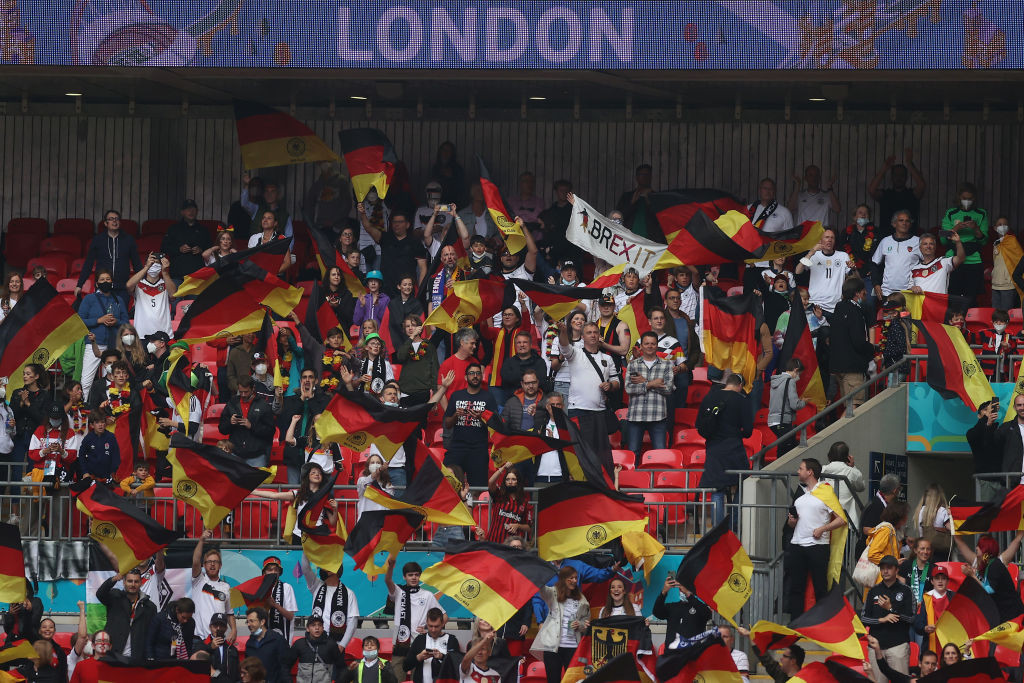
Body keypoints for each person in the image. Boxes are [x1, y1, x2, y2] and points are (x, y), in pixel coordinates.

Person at [558, 320, 620, 477]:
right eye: (589, 332)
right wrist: (563, 332)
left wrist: (610, 385)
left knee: (600, 454)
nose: (593, 335)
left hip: (600, 412)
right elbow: (564, 346)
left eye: (595, 332)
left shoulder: (607, 358)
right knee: (581, 453)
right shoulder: (575, 353)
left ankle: (602, 485)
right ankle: (581, 485)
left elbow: (616, 381)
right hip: (578, 410)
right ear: (583, 337)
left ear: (599, 336)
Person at [786, 458, 846, 616]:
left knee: (820, 587)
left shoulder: (825, 491)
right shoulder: (800, 496)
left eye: (801, 468)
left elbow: (841, 519)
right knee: (796, 588)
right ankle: (796, 624)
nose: (798, 471)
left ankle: (821, 623)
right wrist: (792, 522)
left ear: (810, 472)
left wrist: (823, 529)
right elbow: (792, 525)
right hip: (797, 544)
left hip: (818, 546)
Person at [698, 374, 753, 525]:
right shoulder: (742, 400)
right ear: (740, 385)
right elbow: (748, 430)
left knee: (717, 490)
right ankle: (733, 525)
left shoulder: (709, 398)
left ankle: (718, 532)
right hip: (734, 448)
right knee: (743, 483)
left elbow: (699, 425)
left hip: (713, 449)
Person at [385, 558, 444, 681]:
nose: (414, 577)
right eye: (410, 575)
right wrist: (390, 567)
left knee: (417, 680)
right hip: (400, 645)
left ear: (420, 576)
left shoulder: (427, 595)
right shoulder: (398, 591)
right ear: (404, 577)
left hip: (419, 644)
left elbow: (444, 616)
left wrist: (429, 629)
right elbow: (388, 580)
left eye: (416, 575)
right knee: (396, 680)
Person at [252, 462, 336, 544]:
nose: (317, 474)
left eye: (320, 473)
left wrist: (335, 509)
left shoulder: (325, 497)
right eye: (313, 472)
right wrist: (253, 491)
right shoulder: (298, 494)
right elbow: (274, 495)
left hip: (317, 537)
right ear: (307, 477)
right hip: (299, 536)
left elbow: (333, 522)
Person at [531, 567, 590, 683]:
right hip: (553, 647)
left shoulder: (581, 598)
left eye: (576, 578)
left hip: (573, 647)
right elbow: (541, 588)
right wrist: (542, 570)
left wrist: (580, 624)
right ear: (563, 579)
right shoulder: (553, 593)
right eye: (571, 578)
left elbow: (586, 621)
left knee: (573, 681)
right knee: (553, 680)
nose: (574, 581)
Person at [78, 269, 130, 400]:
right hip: (94, 344)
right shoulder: (89, 299)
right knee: (86, 381)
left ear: (112, 282)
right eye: (102, 279)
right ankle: (83, 407)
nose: (105, 282)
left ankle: (114, 405)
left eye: (108, 279)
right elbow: (80, 321)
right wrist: (98, 320)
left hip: (114, 346)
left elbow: (126, 323)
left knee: (113, 379)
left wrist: (116, 322)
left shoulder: (118, 300)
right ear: (96, 283)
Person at [443, 363, 498, 487]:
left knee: (478, 488)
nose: (475, 376)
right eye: (471, 373)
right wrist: (456, 415)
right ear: (465, 377)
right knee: (448, 483)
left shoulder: (488, 397)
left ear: (482, 376)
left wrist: (481, 418)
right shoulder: (456, 396)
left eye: (478, 373)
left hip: (478, 449)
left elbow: (495, 425)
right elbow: (447, 424)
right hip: (457, 447)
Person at [953, 530, 1024, 622]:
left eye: (978, 549)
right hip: (1002, 615)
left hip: (1012, 616)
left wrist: (972, 575)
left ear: (985, 550)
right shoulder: (988, 565)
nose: (976, 553)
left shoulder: (995, 565)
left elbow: (988, 590)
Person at [624, 330, 673, 466]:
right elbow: (629, 389)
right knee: (633, 453)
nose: (650, 346)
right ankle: (632, 478)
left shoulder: (667, 365)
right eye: (646, 344)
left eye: (653, 344)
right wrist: (652, 383)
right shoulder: (633, 365)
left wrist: (644, 382)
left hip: (658, 416)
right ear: (641, 346)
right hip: (636, 416)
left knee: (660, 454)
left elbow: (668, 389)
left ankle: (660, 479)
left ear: (657, 345)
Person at [75, 209, 142, 306]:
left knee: (121, 313)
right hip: (103, 287)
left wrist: (144, 284)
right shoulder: (98, 240)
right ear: (105, 223)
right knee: (102, 313)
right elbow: (88, 264)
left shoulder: (128, 240)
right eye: (111, 219)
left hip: (122, 288)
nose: (114, 221)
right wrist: (80, 284)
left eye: (117, 219)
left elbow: (137, 264)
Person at [830, 278, 876, 414]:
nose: (866, 293)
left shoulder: (838, 308)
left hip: (838, 366)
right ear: (857, 293)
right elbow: (858, 342)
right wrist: (872, 349)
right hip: (853, 368)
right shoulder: (855, 312)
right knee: (854, 408)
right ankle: (837, 430)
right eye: (863, 291)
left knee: (849, 407)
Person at [862, 555, 915, 676]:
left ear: (897, 570)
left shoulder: (906, 590)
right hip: (876, 647)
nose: (885, 571)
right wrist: (882, 620)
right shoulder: (873, 591)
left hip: (898, 646)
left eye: (889, 568)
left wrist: (890, 608)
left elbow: (911, 618)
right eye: (882, 568)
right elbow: (864, 618)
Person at [357, 206, 428, 292]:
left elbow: (423, 268)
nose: (396, 224)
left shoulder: (415, 242)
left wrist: (420, 290)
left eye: (400, 222)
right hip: (386, 289)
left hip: (407, 290)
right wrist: (363, 213)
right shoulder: (385, 238)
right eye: (394, 222)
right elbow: (369, 228)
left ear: (407, 225)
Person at [941, 182, 989, 304]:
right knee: (952, 298)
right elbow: (942, 239)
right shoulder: (951, 213)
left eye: (970, 199)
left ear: (974, 199)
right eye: (964, 198)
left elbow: (984, 241)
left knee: (971, 299)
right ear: (959, 197)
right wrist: (956, 228)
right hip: (953, 259)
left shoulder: (981, 213)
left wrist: (976, 228)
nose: (967, 201)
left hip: (973, 260)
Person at [96, 567, 156, 662]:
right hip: (113, 655)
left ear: (141, 583)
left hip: (136, 658)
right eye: (130, 581)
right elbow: (100, 594)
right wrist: (114, 579)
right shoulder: (115, 597)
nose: (133, 584)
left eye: (136, 581)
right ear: (124, 582)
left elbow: (152, 635)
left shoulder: (149, 606)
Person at [302, 557, 360, 655]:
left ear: (334, 570)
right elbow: (305, 569)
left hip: (336, 645)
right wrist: (306, 550)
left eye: (325, 567)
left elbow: (352, 623)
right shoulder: (316, 585)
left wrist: (341, 646)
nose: (322, 569)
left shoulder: (349, 593)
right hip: (315, 642)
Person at [219, 378, 276, 467]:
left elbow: (270, 431)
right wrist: (230, 422)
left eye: (246, 392)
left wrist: (251, 426)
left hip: (256, 456)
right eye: (241, 392)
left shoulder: (263, 405)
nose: (243, 395)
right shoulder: (232, 403)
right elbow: (222, 429)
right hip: (235, 453)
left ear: (253, 389)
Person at [794, 229, 852, 314]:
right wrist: (811, 252)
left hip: (836, 306)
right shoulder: (814, 255)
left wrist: (853, 268)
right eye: (827, 237)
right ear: (820, 240)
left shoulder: (843, 256)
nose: (830, 240)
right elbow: (798, 271)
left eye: (832, 238)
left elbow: (852, 278)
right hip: (816, 304)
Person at [868, 149, 927, 231]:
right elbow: (872, 190)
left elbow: (921, 185)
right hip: (887, 236)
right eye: (896, 175)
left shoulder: (912, 194)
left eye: (902, 175)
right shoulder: (886, 194)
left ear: (906, 178)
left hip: (909, 236)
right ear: (892, 177)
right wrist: (884, 168)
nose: (899, 178)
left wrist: (909, 164)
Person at [871, 210, 921, 299]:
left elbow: (927, 263)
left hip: (909, 292)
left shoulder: (918, 241)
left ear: (910, 224)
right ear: (894, 224)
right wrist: (876, 284)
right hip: (887, 293)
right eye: (901, 220)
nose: (904, 223)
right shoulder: (885, 241)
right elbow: (874, 264)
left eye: (907, 221)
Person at [652, 574, 712, 647]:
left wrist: (689, 595)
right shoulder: (672, 606)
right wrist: (664, 592)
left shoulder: (699, 607)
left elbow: (707, 614)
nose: (682, 591)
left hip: (693, 650)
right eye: (680, 589)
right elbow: (656, 612)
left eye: (685, 588)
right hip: (672, 651)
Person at [190, 531, 229, 640]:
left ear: (220, 565)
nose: (212, 564)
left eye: (215, 562)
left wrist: (234, 630)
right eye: (209, 562)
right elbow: (195, 561)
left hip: (218, 637)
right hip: (198, 638)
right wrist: (201, 540)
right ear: (204, 565)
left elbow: (229, 612)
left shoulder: (226, 587)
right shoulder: (199, 580)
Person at [405, 607, 461, 683]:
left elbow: (458, 666)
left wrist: (442, 657)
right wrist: (419, 657)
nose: (433, 630)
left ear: (442, 624)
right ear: (426, 623)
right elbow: (405, 666)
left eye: (436, 626)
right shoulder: (420, 639)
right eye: (430, 626)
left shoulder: (451, 640)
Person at [819, 441, 865, 528]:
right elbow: (861, 487)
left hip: (824, 523)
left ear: (829, 456)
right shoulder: (852, 472)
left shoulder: (820, 471)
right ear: (847, 458)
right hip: (847, 523)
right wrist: (853, 467)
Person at [287, 615, 344, 683]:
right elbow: (286, 665)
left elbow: (342, 667)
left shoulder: (331, 645)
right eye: (313, 625)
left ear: (323, 628)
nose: (317, 628)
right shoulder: (299, 644)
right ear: (307, 628)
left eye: (319, 625)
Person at [766, 359, 806, 456]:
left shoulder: (776, 381)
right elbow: (794, 404)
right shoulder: (790, 381)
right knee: (786, 450)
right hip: (783, 420)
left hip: (772, 420)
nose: (798, 377)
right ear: (795, 370)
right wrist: (804, 402)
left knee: (784, 447)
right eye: (799, 374)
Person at [736, 626, 803, 683]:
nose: (781, 659)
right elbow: (765, 659)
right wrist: (750, 635)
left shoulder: (803, 679)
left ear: (793, 661)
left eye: (785, 656)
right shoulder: (780, 675)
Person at [486, 463, 532, 543]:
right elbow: (490, 482)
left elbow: (529, 527)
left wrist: (518, 526)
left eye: (513, 479)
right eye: (507, 479)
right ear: (505, 482)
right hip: (494, 541)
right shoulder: (499, 495)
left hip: (512, 545)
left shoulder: (525, 502)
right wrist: (503, 468)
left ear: (518, 482)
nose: (510, 482)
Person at [966, 400, 1003, 501]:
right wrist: (987, 421)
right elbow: (979, 436)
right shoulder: (972, 432)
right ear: (979, 416)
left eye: (990, 410)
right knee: (985, 510)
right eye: (985, 410)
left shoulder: (999, 431)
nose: (989, 412)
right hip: (985, 480)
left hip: (1002, 480)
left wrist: (990, 424)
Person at [866, 502, 909, 585]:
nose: (907, 518)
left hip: (886, 578)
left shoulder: (893, 531)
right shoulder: (886, 530)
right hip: (881, 580)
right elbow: (872, 554)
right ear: (899, 517)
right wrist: (894, 562)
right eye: (905, 515)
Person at [243, 607, 289, 683]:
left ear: (262, 622)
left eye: (251, 621)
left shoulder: (277, 640)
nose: (248, 624)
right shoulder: (249, 643)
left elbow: (284, 668)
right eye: (247, 622)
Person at [866, 635, 937, 683]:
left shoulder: (940, 679)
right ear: (920, 664)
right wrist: (877, 649)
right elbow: (885, 669)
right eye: (927, 663)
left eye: (933, 664)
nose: (930, 667)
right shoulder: (910, 679)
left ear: (936, 666)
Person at [258, 556, 298, 641]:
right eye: (270, 569)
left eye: (276, 570)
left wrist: (275, 605)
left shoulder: (286, 587)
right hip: (264, 640)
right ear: (264, 572)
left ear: (279, 572)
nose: (273, 572)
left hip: (283, 639)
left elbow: (290, 616)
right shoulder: (259, 589)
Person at [912, 485, 952, 560]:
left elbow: (920, 532)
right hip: (941, 552)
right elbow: (952, 529)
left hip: (925, 551)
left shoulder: (921, 510)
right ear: (939, 496)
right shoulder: (942, 511)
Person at [199, 612, 239, 683]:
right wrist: (210, 648)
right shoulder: (202, 645)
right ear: (210, 627)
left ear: (226, 628)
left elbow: (236, 673)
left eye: (221, 625)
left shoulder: (232, 648)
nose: (218, 628)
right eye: (215, 625)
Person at [356, 453, 394, 520]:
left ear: (382, 465)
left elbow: (389, 505)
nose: (375, 465)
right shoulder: (362, 480)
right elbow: (368, 480)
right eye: (372, 463)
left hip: (380, 521)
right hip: (364, 521)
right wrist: (379, 470)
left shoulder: (387, 485)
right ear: (368, 466)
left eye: (378, 463)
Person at [990, 216, 1016, 311]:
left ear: (1009, 227)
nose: (1002, 226)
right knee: (996, 313)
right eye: (1000, 224)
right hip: (996, 283)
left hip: (1008, 284)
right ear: (995, 228)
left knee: (1006, 313)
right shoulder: (996, 243)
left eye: (1005, 224)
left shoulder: (1012, 241)